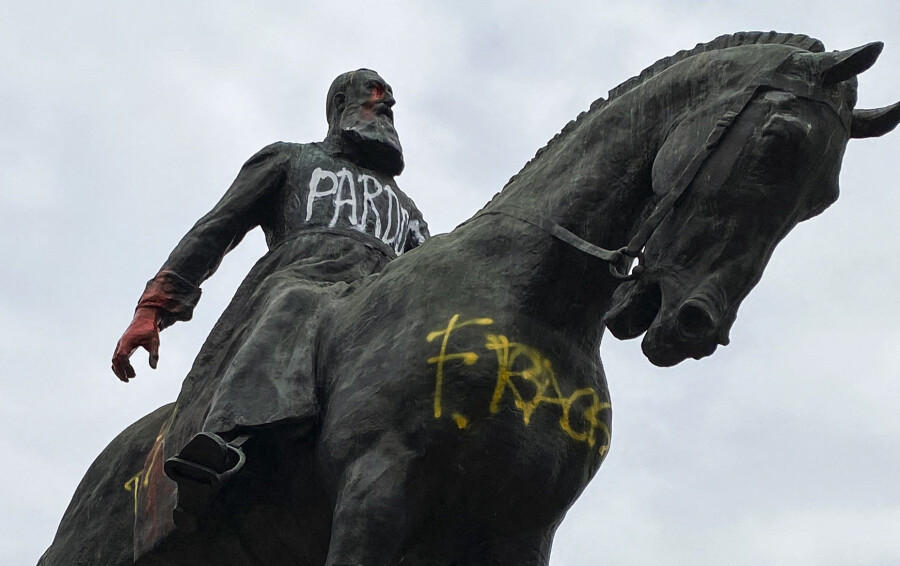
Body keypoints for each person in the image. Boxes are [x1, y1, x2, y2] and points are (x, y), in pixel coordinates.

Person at [111, 69, 429, 534]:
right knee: (297, 301)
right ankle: (224, 443)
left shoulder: (409, 212)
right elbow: (216, 228)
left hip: (378, 313)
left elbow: (433, 270)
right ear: (341, 101)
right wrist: (152, 310)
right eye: (376, 94)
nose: (387, 104)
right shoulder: (292, 160)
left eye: (390, 98)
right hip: (301, 286)